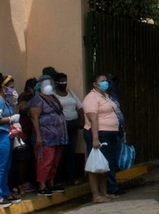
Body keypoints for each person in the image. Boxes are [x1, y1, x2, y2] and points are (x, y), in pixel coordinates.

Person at [82, 74, 123, 203]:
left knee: (105, 165)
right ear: (95, 84)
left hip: (110, 134)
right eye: (102, 81)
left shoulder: (106, 96)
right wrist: (95, 138)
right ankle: (96, 195)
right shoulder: (91, 98)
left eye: (106, 81)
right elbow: (93, 119)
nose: (106, 83)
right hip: (99, 134)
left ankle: (104, 192)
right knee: (95, 165)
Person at [28, 74, 69, 196]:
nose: (49, 86)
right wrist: (39, 136)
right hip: (46, 137)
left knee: (55, 161)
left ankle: (51, 183)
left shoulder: (53, 98)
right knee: (45, 161)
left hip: (58, 137)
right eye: (46, 84)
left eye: (50, 83)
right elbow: (34, 119)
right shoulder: (37, 100)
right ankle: (42, 185)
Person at [0, 73, 22, 208]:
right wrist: (9, 119)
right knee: (0, 167)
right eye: (11, 87)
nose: (13, 90)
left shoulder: (6, 102)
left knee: (6, 166)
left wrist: (15, 104)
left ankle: (5, 192)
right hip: (0, 136)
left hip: (7, 136)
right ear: (3, 88)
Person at [54, 72, 85, 185]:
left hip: (73, 125)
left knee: (71, 151)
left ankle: (70, 177)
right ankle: (60, 178)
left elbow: (80, 107)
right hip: (61, 126)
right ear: (56, 83)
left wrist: (82, 121)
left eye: (65, 81)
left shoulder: (71, 93)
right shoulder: (53, 95)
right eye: (61, 81)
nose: (64, 83)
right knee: (61, 152)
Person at [13, 78, 38, 194]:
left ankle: (26, 182)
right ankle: (21, 183)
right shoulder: (26, 96)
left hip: (29, 132)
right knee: (23, 158)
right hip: (24, 133)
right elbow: (21, 106)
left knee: (28, 158)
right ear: (29, 88)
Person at [104, 73, 126, 195]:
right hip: (106, 131)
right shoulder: (99, 97)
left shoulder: (112, 95)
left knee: (114, 160)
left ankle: (113, 185)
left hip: (117, 130)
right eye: (109, 81)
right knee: (109, 160)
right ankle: (111, 187)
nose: (111, 83)